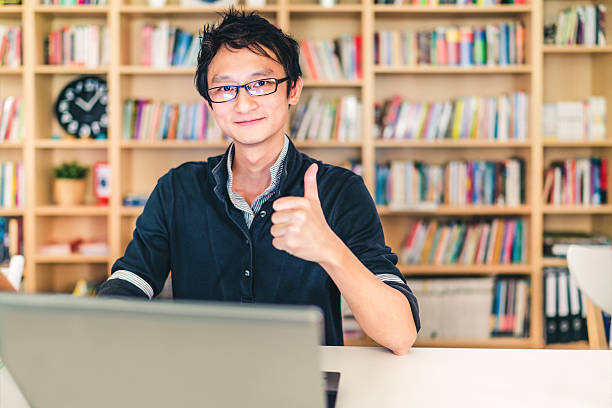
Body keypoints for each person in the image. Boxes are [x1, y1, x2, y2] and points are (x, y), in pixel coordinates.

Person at [98, 8, 420, 355]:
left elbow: (399, 336)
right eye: (225, 88)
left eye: (261, 83)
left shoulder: (339, 190)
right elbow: (131, 282)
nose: (244, 102)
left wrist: (330, 250)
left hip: (305, 386)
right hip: (200, 383)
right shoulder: (177, 188)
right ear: (210, 104)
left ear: (293, 89)